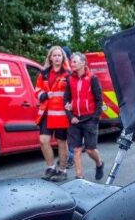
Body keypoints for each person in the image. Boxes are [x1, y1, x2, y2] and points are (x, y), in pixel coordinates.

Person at [64, 52, 105, 180]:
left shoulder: (92, 78)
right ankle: (79, 177)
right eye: (71, 62)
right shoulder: (70, 79)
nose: (72, 64)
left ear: (83, 63)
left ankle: (99, 164)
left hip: (89, 119)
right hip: (75, 119)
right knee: (76, 150)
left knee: (90, 150)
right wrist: (71, 117)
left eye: (75, 61)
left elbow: (99, 100)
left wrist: (95, 118)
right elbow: (65, 100)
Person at [34, 46, 70, 181]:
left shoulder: (68, 74)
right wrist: (43, 95)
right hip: (47, 112)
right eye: (54, 55)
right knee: (43, 141)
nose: (56, 58)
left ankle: (62, 170)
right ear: (50, 58)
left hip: (61, 113)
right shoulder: (44, 73)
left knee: (61, 142)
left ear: (63, 58)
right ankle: (51, 167)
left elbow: (72, 92)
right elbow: (37, 89)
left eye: (59, 55)